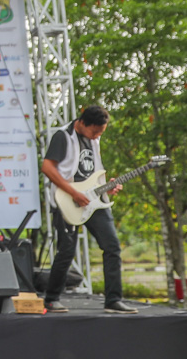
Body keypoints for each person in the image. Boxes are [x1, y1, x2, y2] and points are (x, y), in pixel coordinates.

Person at [40, 105, 137, 314]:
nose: (97, 136)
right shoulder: (63, 136)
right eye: (95, 131)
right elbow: (47, 167)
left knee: (112, 247)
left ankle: (113, 300)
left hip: (94, 200)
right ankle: (51, 298)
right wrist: (73, 192)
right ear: (82, 123)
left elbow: (91, 171)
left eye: (101, 132)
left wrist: (107, 186)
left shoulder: (94, 140)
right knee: (67, 250)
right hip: (67, 199)